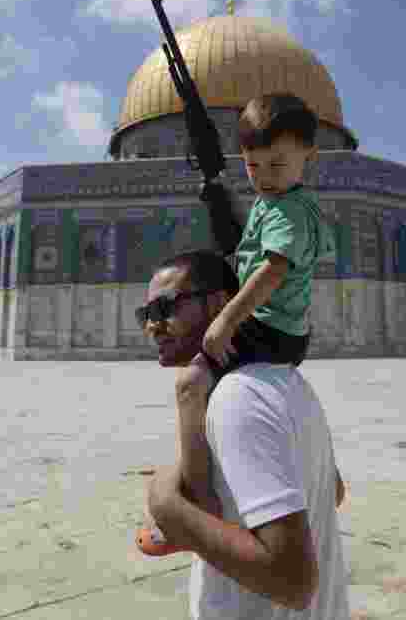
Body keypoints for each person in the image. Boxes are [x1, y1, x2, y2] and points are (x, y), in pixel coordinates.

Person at [137, 93, 335, 556]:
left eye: (276, 165)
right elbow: (247, 251)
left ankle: (198, 508)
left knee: (191, 384)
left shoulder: (288, 210)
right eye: (253, 167)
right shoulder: (279, 202)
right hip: (280, 330)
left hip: (270, 327)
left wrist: (226, 319)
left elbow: (271, 271)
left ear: (310, 154)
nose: (264, 178)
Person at [140, 250, 348, 617]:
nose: (152, 326)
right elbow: (332, 490)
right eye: (147, 315)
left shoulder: (237, 400)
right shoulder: (286, 380)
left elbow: (293, 584)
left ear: (222, 302)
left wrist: (167, 505)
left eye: (165, 308)